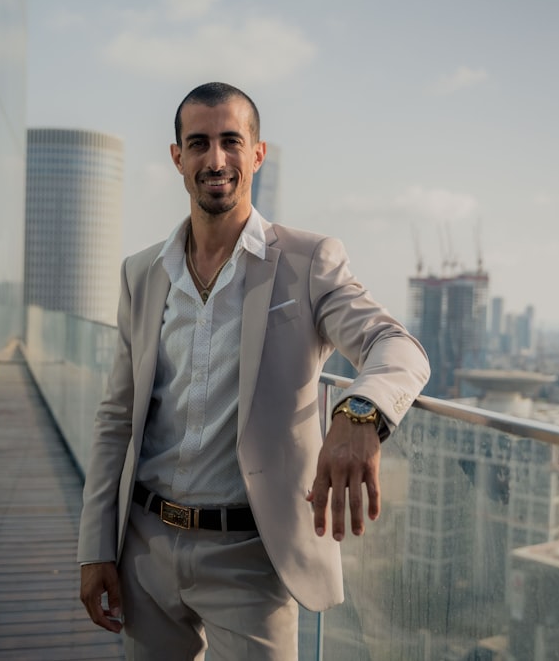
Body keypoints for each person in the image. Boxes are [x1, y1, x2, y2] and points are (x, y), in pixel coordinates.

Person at [78, 82, 429, 660]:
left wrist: (359, 411)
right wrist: (95, 550)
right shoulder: (140, 273)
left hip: (250, 555)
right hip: (143, 546)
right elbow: (115, 418)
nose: (215, 160)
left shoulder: (308, 261)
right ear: (177, 159)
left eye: (231, 142)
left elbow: (396, 345)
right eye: (198, 144)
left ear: (257, 153)